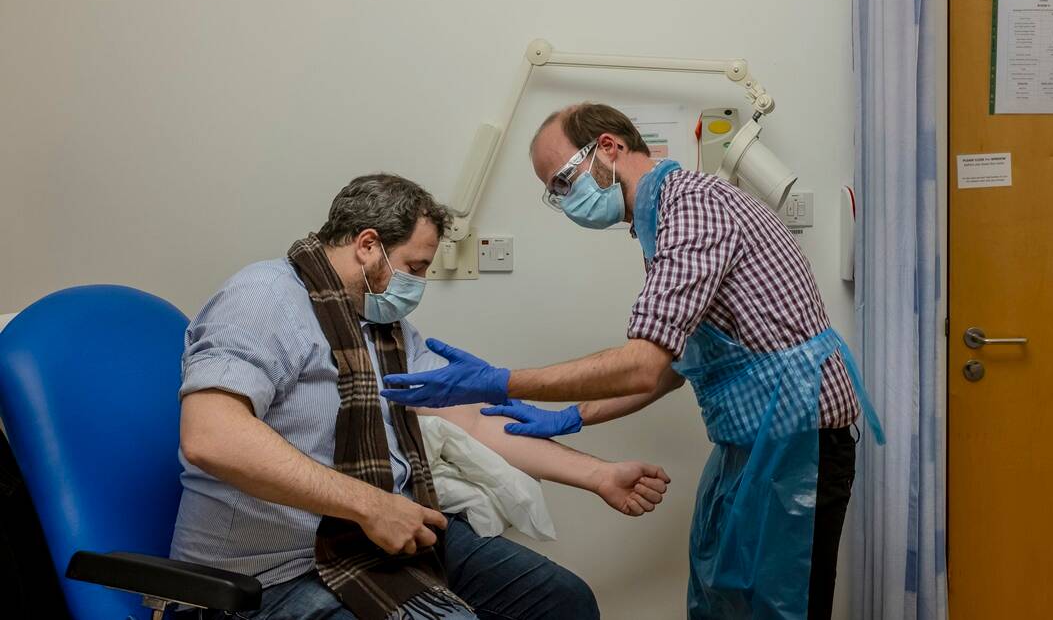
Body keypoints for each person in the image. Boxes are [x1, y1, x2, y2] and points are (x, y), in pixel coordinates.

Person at [382, 104, 881, 620]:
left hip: (797, 443)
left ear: (608, 148)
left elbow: (644, 362)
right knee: (728, 598)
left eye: (561, 181)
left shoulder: (693, 208)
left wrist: (498, 381)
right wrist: (574, 415)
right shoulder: (664, 220)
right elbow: (674, 365)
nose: (561, 198)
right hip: (757, 441)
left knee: (782, 607)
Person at [171, 173, 670, 620]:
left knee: (564, 602)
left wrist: (599, 474)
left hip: (374, 538)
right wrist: (369, 505)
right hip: (271, 572)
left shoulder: (383, 327)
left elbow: (470, 420)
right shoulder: (263, 298)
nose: (421, 282)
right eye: (416, 265)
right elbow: (211, 437)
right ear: (368, 245)